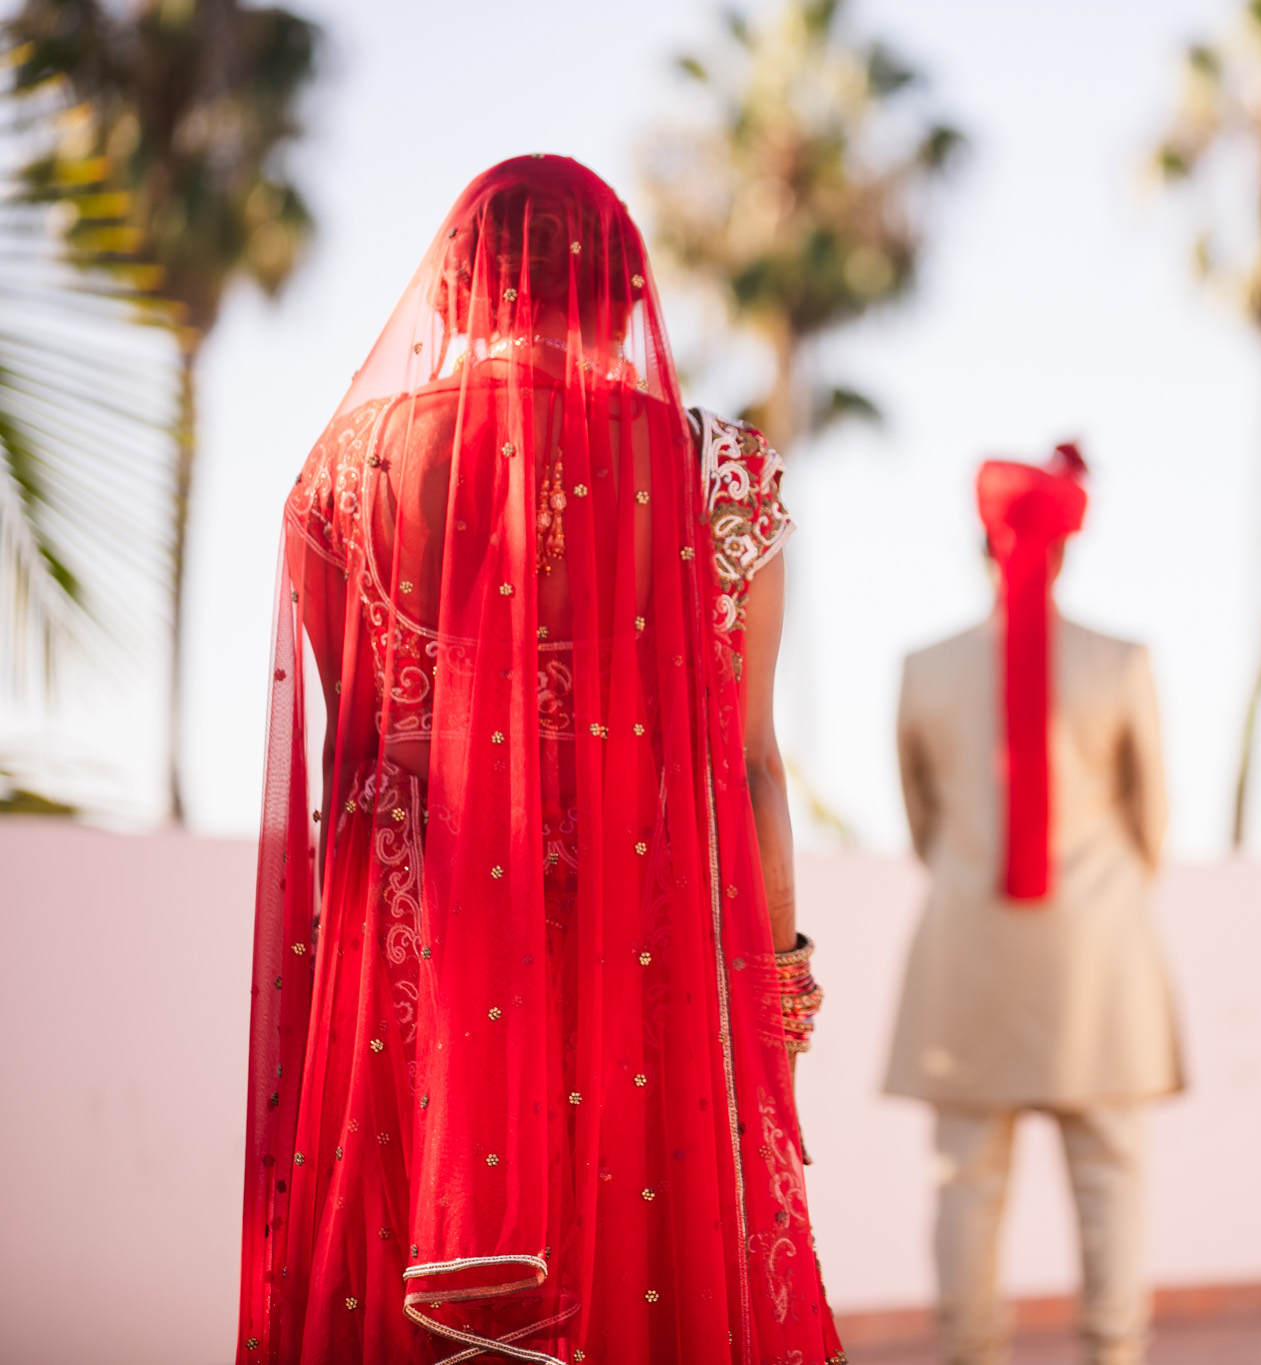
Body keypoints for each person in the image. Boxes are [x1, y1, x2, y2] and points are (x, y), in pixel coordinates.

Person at [238, 155, 843, 1365]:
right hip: (647, 957)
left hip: (418, 968)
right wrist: (777, 975)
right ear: (622, 293)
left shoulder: (344, 477)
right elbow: (751, 764)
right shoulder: (720, 476)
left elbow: (358, 746)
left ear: (455, 293)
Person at [886, 445, 1184, 1365]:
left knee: (965, 1180)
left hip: (969, 948)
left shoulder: (922, 669)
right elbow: (1153, 822)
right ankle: (1114, 1351)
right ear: (1064, 550)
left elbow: (922, 820)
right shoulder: (1123, 661)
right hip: (1098, 952)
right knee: (1110, 1175)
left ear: (983, 540)